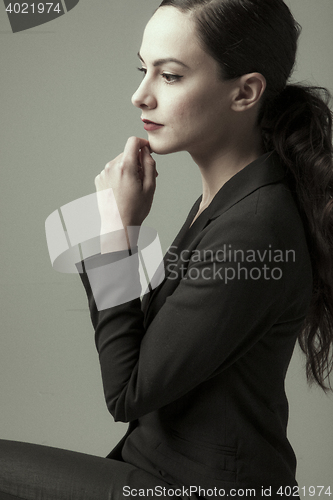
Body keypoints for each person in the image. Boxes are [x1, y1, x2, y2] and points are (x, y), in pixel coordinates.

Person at [1, 0, 332, 498]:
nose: (140, 95)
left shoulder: (254, 226)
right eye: (143, 70)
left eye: (170, 76)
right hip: (156, 467)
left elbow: (128, 391)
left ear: (245, 92)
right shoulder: (231, 198)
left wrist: (116, 231)